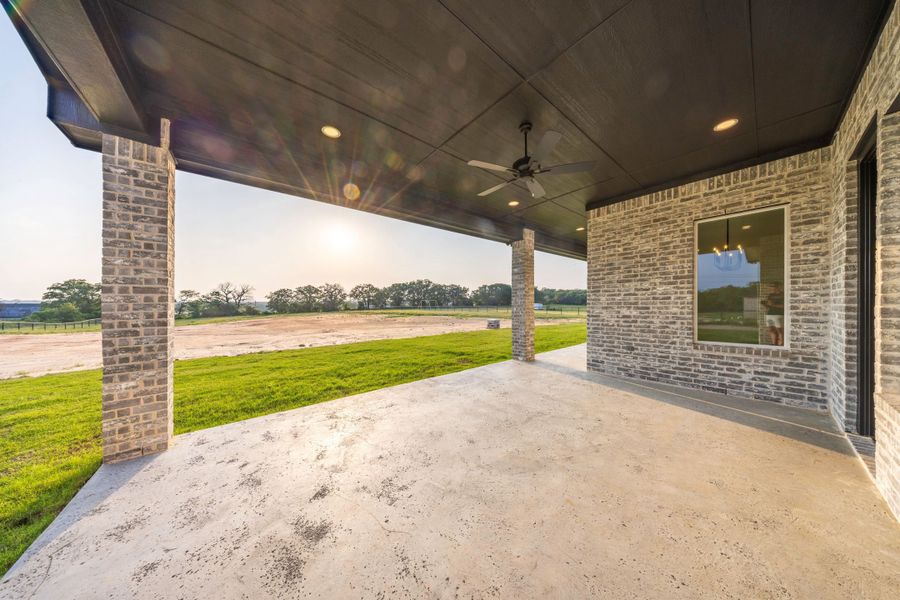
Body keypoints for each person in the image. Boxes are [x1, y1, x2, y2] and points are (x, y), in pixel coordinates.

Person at [761, 281, 785, 346]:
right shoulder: (770, 295)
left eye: (774, 286)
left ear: (778, 287)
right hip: (770, 314)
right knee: (771, 330)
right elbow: (769, 306)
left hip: (778, 314)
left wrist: (773, 305)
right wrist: (765, 305)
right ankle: (774, 344)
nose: (772, 288)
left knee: (779, 330)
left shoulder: (783, 295)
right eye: (771, 287)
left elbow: (784, 306)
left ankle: (781, 345)